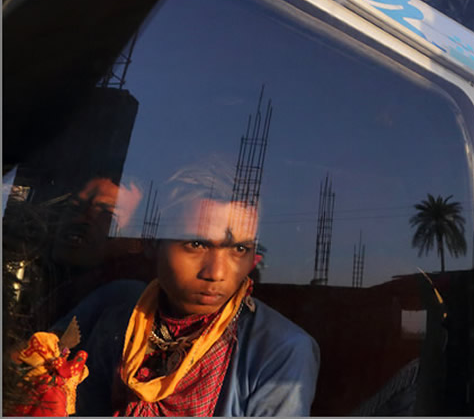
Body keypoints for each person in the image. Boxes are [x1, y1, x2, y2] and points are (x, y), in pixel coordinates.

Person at [56, 163, 319, 416]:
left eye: (239, 250)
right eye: (196, 244)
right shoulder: (121, 325)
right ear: (152, 243)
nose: (215, 273)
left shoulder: (279, 349)